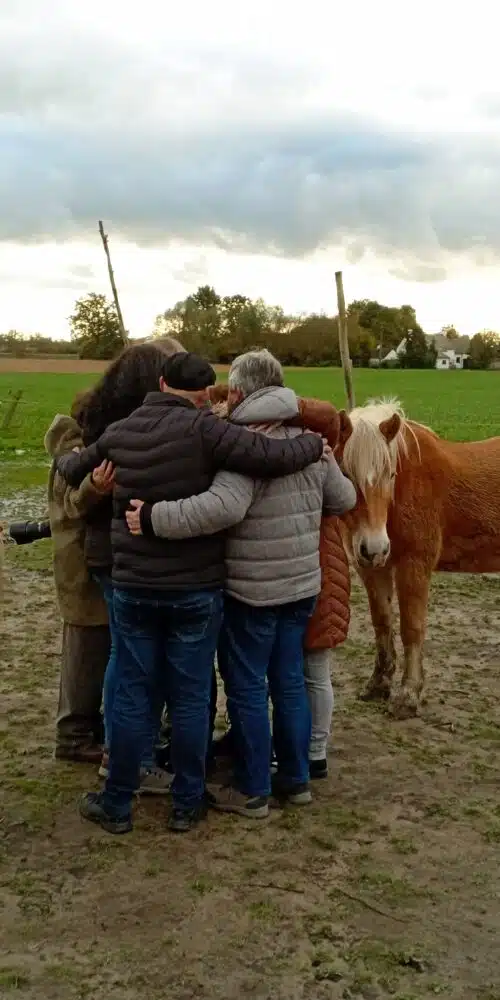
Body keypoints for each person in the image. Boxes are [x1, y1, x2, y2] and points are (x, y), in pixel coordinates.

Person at [56, 351, 324, 834]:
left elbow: (73, 468)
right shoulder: (209, 430)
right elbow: (272, 456)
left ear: (161, 383)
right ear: (205, 394)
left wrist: (65, 457)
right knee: (191, 696)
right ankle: (186, 803)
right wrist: (314, 444)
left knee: (133, 692)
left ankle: (116, 802)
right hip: (195, 590)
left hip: (133, 587)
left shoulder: (120, 432)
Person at [127, 349, 356, 819]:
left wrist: (152, 517)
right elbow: (345, 497)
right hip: (301, 587)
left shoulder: (243, 444)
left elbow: (222, 508)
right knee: (289, 682)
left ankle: (252, 789)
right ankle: (295, 780)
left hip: (253, 590)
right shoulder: (308, 439)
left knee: (248, 687)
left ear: (235, 392)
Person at [72, 340, 179, 793]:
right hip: (127, 557)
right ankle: (129, 758)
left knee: (129, 654)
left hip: (111, 555)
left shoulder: (98, 424)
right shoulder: (137, 430)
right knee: (137, 658)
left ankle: (125, 751)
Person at [44, 410, 113, 762]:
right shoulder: (68, 456)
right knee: (83, 653)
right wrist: (95, 487)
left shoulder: (72, 450)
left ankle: (86, 726)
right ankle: (72, 735)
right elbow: (74, 505)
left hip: (83, 564)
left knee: (94, 650)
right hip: (78, 568)